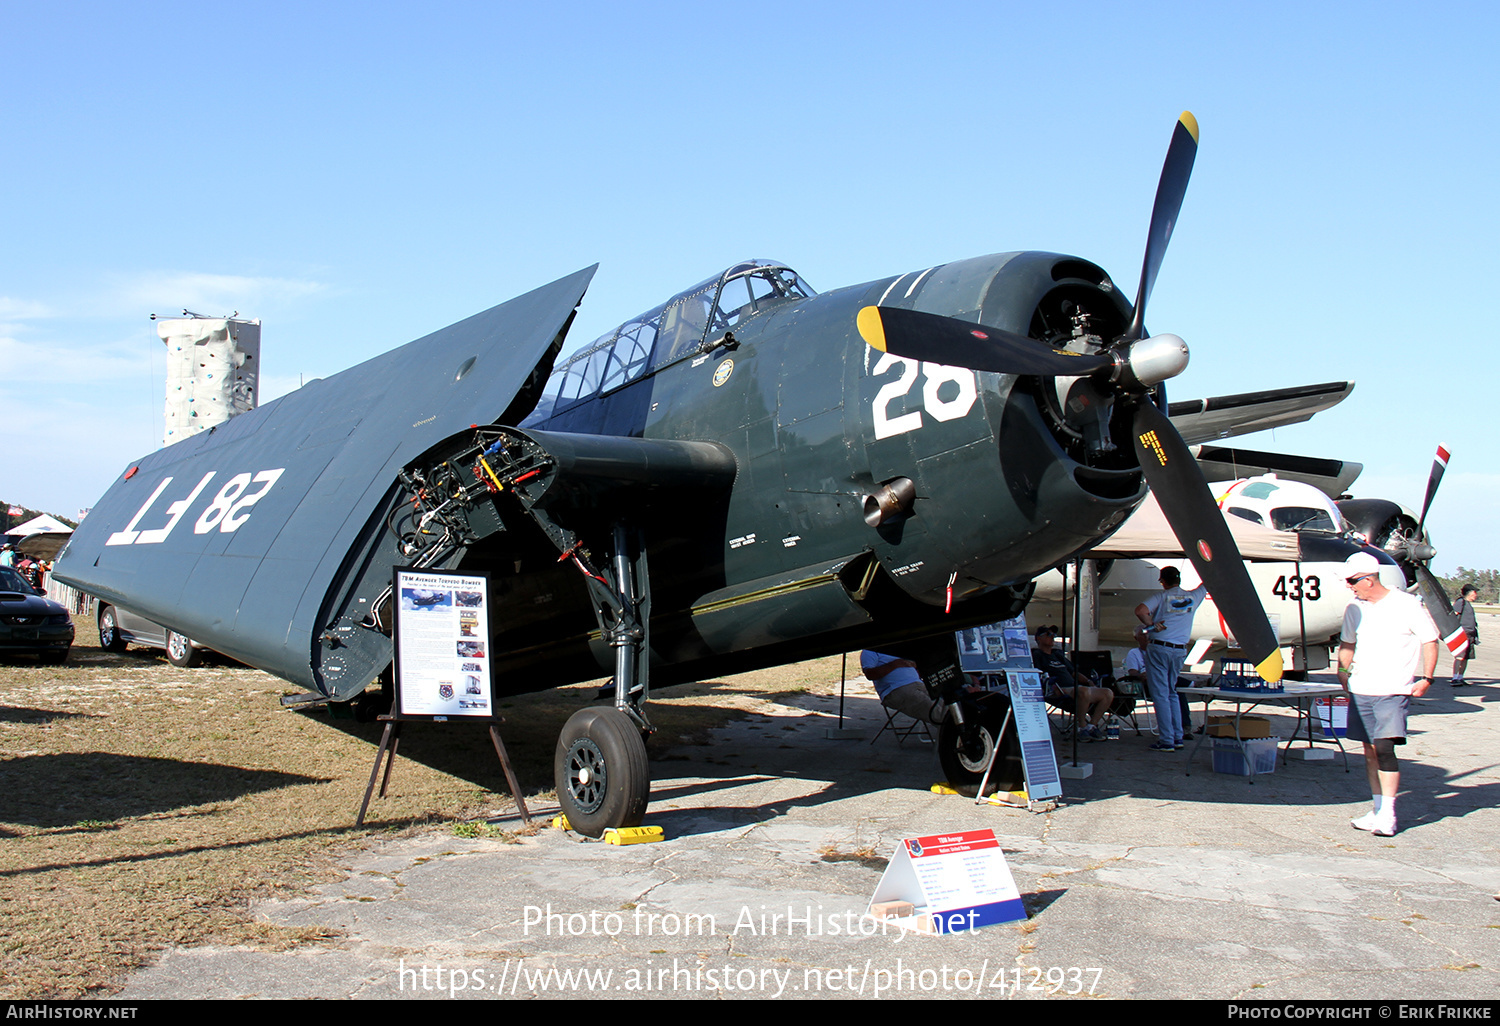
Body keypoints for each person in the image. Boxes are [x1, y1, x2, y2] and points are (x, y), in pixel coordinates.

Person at [1338, 551, 1438, 838]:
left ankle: (1389, 814)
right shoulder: (1354, 608)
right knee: (1369, 751)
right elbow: (1348, 643)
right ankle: (1378, 809)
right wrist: (1342, 671)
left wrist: (1427, 678)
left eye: (1352, 581)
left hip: (1392, 690)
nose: (1350, 586)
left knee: (1384, 749)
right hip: (1361, 689)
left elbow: (1429, 641)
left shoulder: (1407, 605)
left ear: (1368, 580)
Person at [1134, 566, 1208, 751]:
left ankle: (1166, 739)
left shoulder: (1161, 597)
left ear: (1163, 582)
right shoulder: (1193, 597)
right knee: (1172, 692)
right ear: (1179, 580)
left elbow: (1140, 610)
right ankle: (1178, 735)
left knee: (1160, 694)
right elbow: (1206, 584)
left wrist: (1152, 624)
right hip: (1179, 650)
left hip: (1160, 647)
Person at [1030, 626, 1114, 740]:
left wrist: (1089, 681)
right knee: (1083, 691)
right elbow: (1037, 675)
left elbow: (1074, 673)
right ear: (1039, 638)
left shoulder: (1058, 654)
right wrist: (1050, 686)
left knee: (1107, 693)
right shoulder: (1036, 655)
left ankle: (1091, 726)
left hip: (1075, 688)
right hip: (1057, 689)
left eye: (1054, 635)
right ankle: (1082, 727)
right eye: (1049, 635)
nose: (1053, 637)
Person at [860, 651, 948, 725]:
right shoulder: (870, 651)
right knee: (940, 715)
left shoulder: (899, 648)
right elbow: (870, 674)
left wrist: (914, 665)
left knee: (948, 708)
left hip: (918, 684)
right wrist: (894, 664)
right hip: (896, 689)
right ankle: (951, 741)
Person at [1450, 585, 1479, 685]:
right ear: (1470, 593)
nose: (1476, 595)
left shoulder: (1467, 604)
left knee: (1466, 657)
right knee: (1460, 656)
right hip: (1463, 634)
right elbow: (1453, 616)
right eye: (1475, 593)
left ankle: (1460, 677)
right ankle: (1454, 678)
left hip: (1470, 634)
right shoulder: (1460, 602)